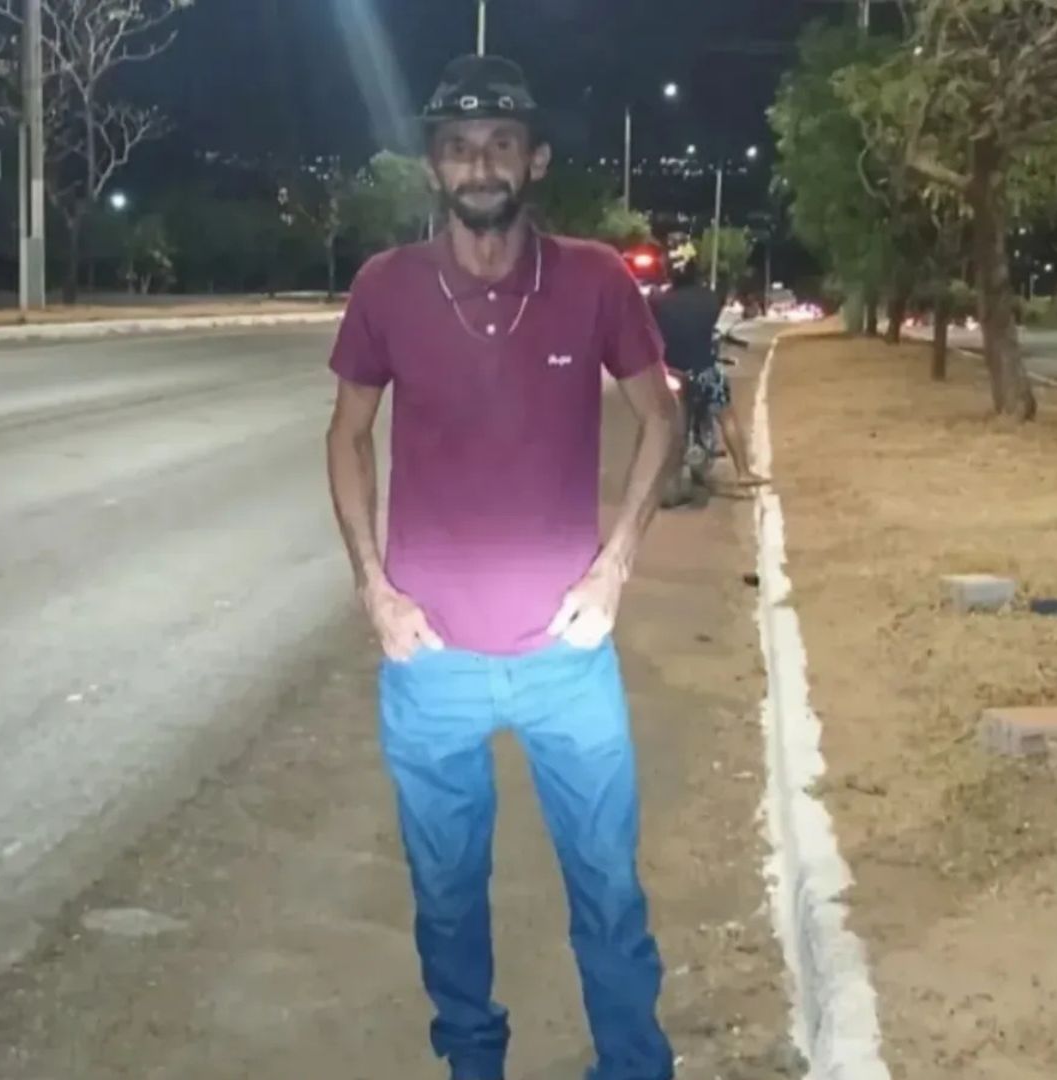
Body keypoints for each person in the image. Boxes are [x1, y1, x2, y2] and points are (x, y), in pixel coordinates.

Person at [323, 54, 681, 1080]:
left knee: (608, 888)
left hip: (569, 656)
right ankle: (473, 1062)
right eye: (458, 147)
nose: (480, 164)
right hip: (429, 660)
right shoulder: (387, 287)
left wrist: (615, 565)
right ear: (433, 167)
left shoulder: (595, 279)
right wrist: (373, 587)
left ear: (536, 159)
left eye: (500, 144)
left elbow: (662, 414)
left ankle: (633, 1066)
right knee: (445, 898)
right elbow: (347, 435)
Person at [647, 244, 769, 489]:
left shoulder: (657, 300)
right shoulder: (710, 297)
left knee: (664, 423)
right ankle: (743, 473)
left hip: (671, 372)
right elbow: (717, 327)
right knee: (726, 415)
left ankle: (664, 480)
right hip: (705, 370)